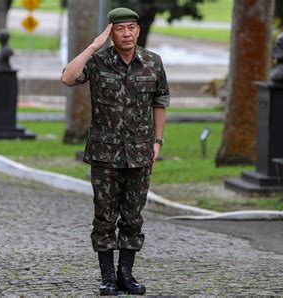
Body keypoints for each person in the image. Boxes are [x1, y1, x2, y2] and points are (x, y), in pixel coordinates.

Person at [61, 7, 170, 296]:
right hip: (105, 154)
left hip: (140, 152)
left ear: (138, 30)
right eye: (120, 29)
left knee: (133, 217)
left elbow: (160, 102)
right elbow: (68, 78)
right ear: (111, 32)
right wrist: (94, 45)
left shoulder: (153, 63)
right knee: (105, 217)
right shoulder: (98, 62)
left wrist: (157, 143)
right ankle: (108, 277)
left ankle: (126, 274)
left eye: (131, 28)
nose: (127, 33)